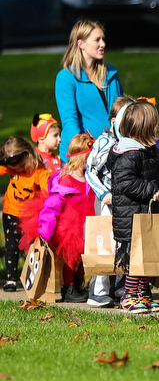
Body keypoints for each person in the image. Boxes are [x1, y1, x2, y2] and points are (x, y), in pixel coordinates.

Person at [108, 100, 159, 314]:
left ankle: (143, 295)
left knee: (147, 258)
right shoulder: (128, 154)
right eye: (153, 126)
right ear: (143, 129)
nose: (157, 129)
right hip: (132, 217)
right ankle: (129, 296)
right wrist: (148, 190)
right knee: (135, 261)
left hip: (147, 215)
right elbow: (124, 181)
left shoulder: (150, 152)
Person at [20, 133, 97, 303]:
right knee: (71, 257)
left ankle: (79, 284)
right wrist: (45, 230)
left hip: (86, 225)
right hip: (68, 228)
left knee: (83, 258)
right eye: (89, 157)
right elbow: (52, 206)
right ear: (81, 158)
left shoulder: (89, 178)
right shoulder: (65, 180)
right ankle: (68, 287)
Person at [85, 95, 135, 307]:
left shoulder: (129, 143)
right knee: (105, 242)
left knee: (124, 242)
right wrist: (102, 193)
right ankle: (99, 289)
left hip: (124, 201)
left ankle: (121, 286)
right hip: (107, 200)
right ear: (114, 121)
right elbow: (91, 170)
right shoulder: (105, 142)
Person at [55, 19, 123, 163]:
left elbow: (122, 111)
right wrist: (81, 153)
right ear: (81, 44)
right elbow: (69, 121)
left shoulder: (110, 73)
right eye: (97, 40)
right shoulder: (67, 77)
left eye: (103, 39)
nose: (103, 44)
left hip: (112, 153)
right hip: (81, 157)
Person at [0, 137, 51, 292]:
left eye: (22, 166)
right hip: (11, 212)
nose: (20, 170)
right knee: (11, 246)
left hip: (29, 217)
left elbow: (47, 191)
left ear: (28, 154)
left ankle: (31, 278)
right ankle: (10, 279)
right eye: (15, 169)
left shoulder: (39, 171)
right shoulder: (11, 166)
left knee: (31, 247)